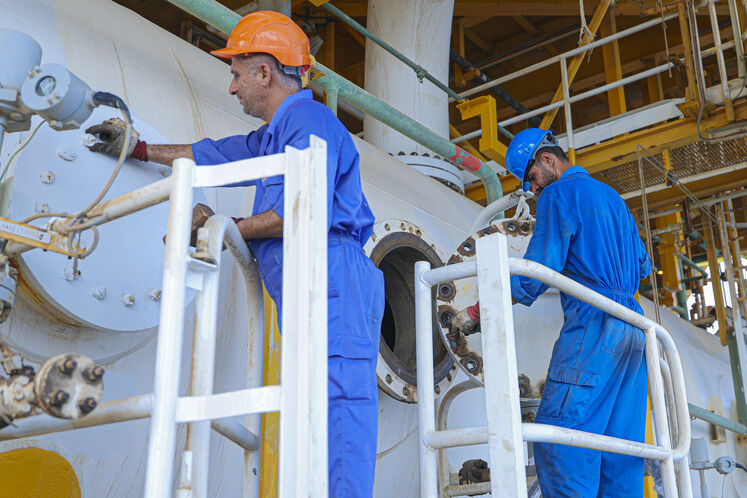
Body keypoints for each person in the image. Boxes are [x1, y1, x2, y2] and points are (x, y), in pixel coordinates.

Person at [85, 11, 384, 497]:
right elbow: (215, 154)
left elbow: (298, 211)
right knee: (316, 409)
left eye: (236, 73)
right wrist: (140, 150)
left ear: (264, 72)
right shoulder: (275, 133)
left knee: (340, 404)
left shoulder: (307, 120)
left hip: (333, 275)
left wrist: (220, 227)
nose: (231, 87)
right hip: (314, 284)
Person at [451, 128, 652, 497]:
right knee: (619, 449)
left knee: (559, 437)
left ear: (546, 159)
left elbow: (538, 269)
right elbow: (644, 266)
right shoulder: (615, 200)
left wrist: (479, 311)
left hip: (594, 325)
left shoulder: (559, 194)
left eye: (531, 177)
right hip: (635, 329)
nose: (533, 188)